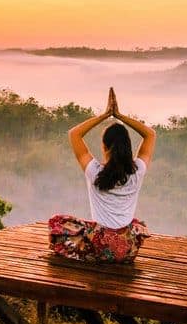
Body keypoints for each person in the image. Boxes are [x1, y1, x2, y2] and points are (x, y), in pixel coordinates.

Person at [48, 87, 156, 263]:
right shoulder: (138, 171)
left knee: (56, 222)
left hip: (99, 247)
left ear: (104, 147)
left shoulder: (95, 171)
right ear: (128, 148)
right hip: (126, 250)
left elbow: (74, 134)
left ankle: (91, 254)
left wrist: (105, 115)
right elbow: (150, 135)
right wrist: (120, 116)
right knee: (136, 223)